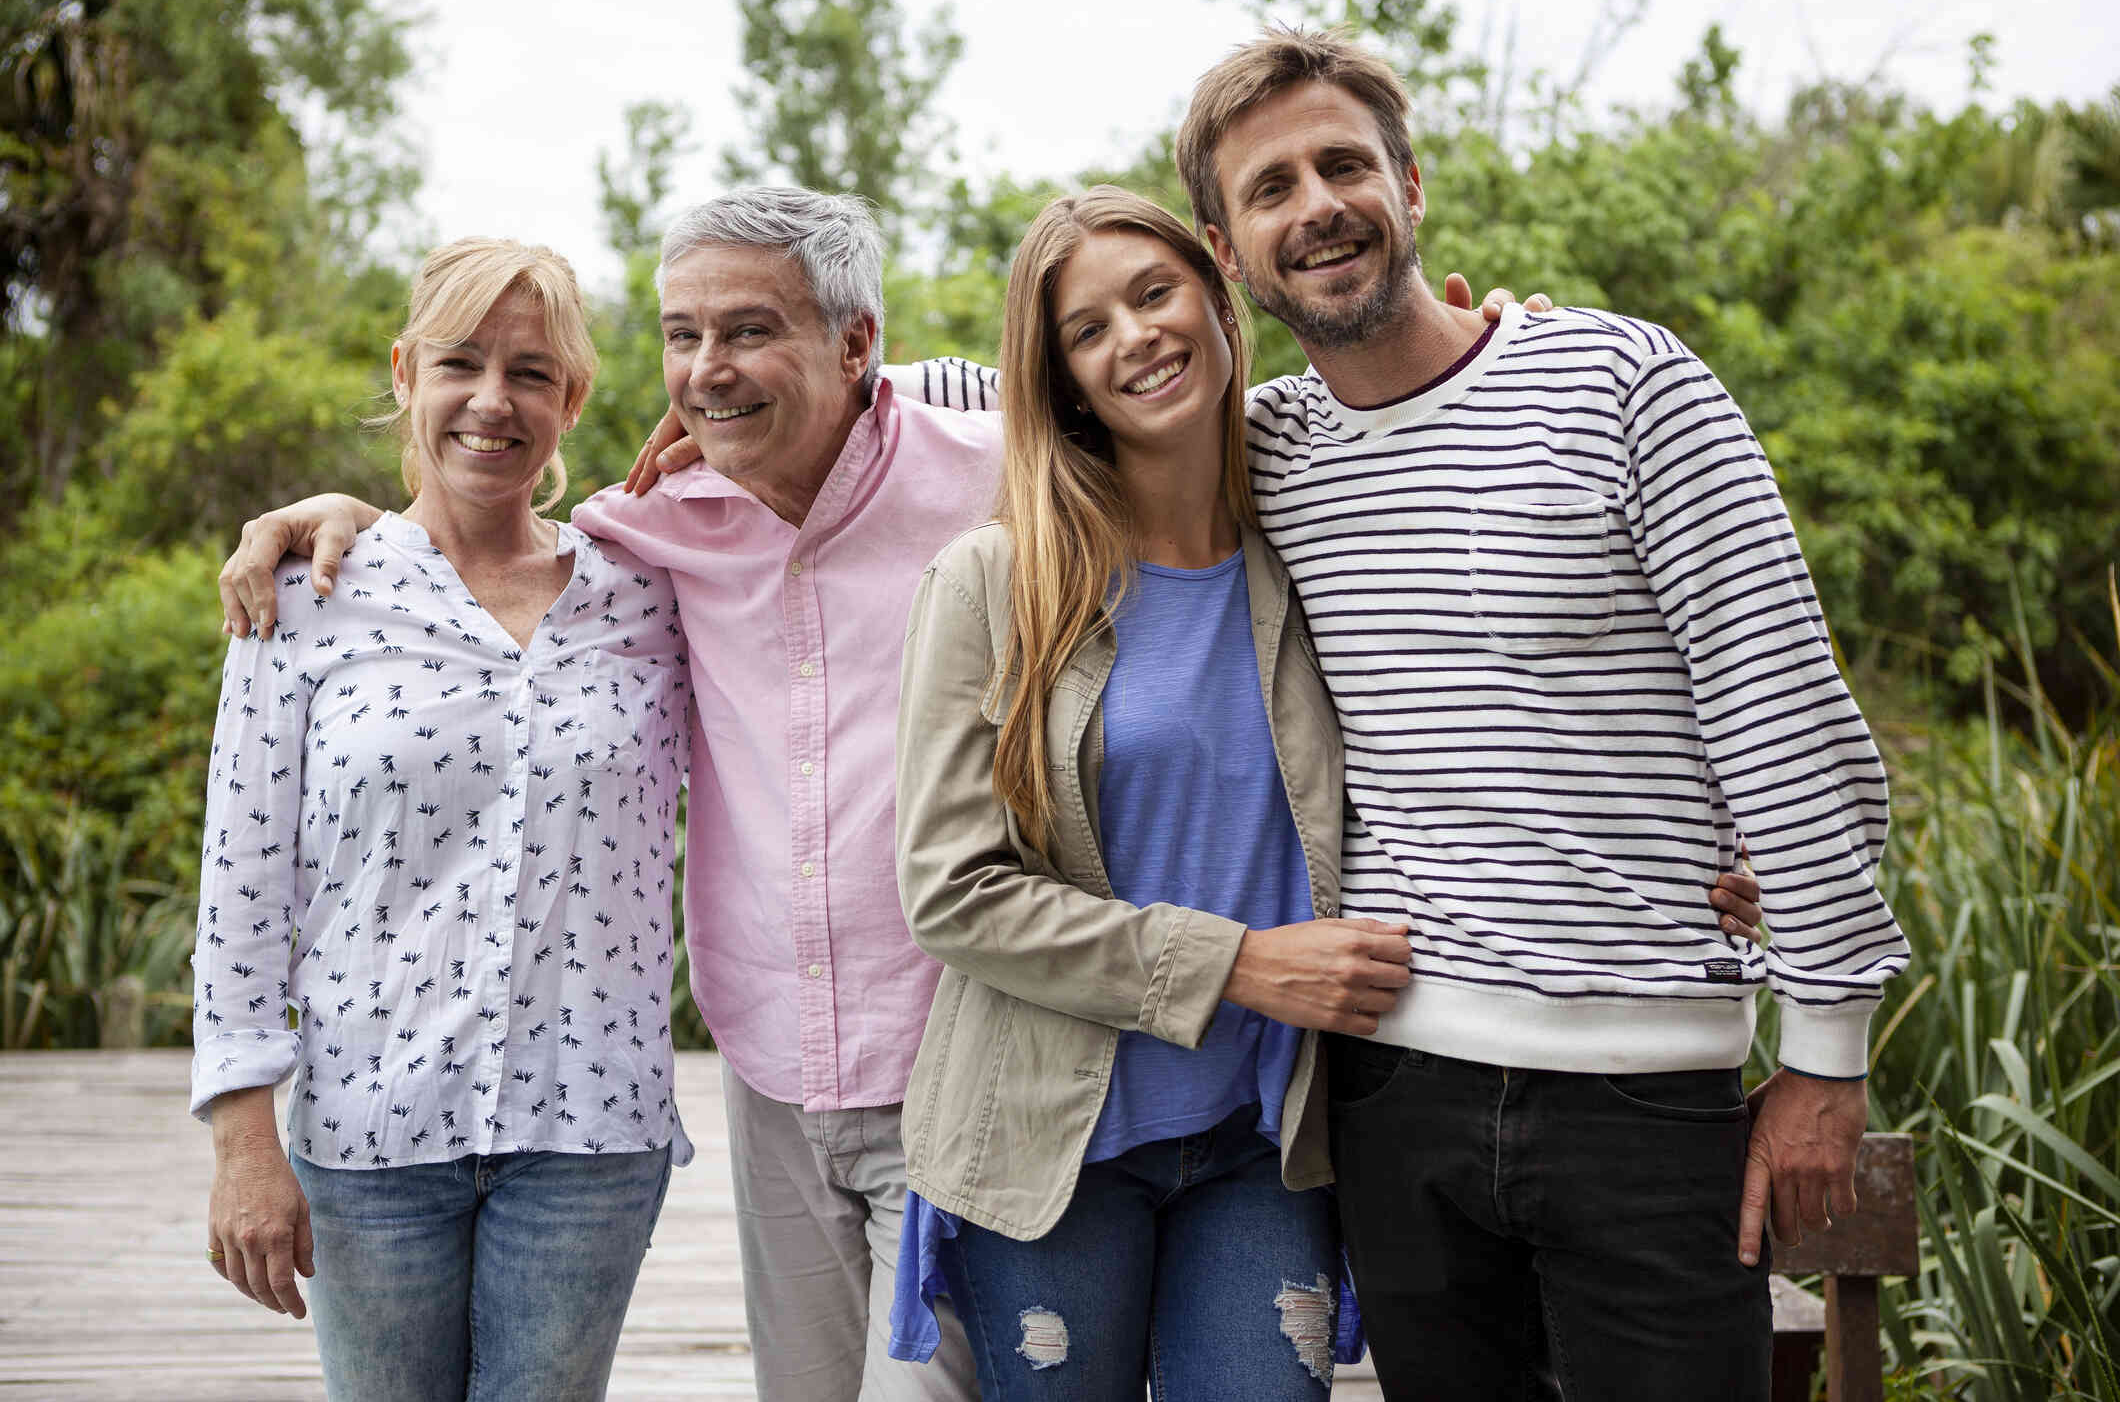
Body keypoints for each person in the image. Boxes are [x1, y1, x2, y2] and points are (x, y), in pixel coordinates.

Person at [212, 191, 1766, 1398]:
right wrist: (356, 513)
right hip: (764, 1078)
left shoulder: (1011, 470)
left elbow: (1124, 361)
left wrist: (1488, 344)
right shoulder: (644, 537)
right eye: (685, 336)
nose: (710, 370)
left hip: (986, 1065)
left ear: (856, 344)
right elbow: (485, 528)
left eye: (752, 331)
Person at [1162, 28, 1910, 1398]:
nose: (1315, 204)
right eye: (1269, 188)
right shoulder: (1261, 450)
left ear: (1412, 182)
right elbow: (1036, 404)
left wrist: (1827, 1054)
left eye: (1344, 163)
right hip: (1393, 1087)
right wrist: (763, 420)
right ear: (1227, 247)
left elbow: (1788, 715)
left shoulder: (1623, 382)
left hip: (1647, 1089)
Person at [884, 186, 1388, 1398]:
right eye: (1085, 328)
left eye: (1152, 294)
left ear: (1218, 296)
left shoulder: (1318, 530)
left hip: (1265, 1137)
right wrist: (1231, 964)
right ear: (1058, 378)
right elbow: (950, 893)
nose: (1134, 338)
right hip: (1054, 1143)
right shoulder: (996, 580)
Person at [192, 237, 692, 1401]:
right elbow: (241, 884)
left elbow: (856, 431)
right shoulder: (308, 595)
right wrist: (242, 1142)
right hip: (367, 1133)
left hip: (590, 1133)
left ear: (571, 399)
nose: (491, 399)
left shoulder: (652, 591)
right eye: (460, 362)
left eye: (530, 371)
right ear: (404, 372)